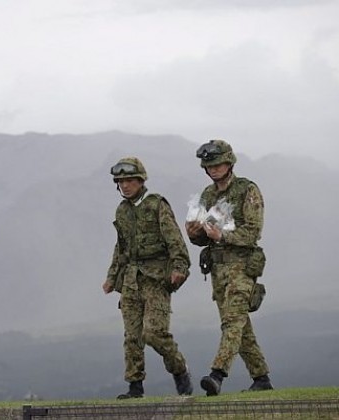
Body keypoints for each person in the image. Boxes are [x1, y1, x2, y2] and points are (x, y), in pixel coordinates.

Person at [185, 139, 273, 396]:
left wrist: (222, 236)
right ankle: (261, 378)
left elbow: (253, 232)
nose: (213, 169)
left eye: (218, 164)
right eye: (209, 166)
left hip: (242, 266)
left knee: (232, 322)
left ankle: (217, 375)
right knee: (239, 325)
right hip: (218, 269)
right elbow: (204, 236)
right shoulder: (207, 195)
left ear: (229, 163)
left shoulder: (247, 190)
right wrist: (194, 233)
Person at [103, 156, 193, 399]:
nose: (125, 185)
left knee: (153, 333)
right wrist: (112, 277)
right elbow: (120, 246)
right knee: (132, 337)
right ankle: (135, 386)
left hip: (155, 280)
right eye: (121, 181)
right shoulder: (122, 211)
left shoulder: (156, 205)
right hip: (130, 281)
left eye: (130, 180)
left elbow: (175, 241)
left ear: (141, 180)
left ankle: (180, 371)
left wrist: (179, 268)